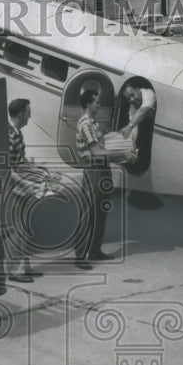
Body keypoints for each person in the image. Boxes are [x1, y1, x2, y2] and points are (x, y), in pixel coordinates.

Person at [74, 90, 122, 269]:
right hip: (94, 169)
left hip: (102, 168)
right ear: (88, 105)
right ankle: (80, 255)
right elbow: (96, 151)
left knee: (101, 209)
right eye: (97, 102)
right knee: (89, 212)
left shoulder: (93, 123)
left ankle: (95, 249)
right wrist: (121, 154)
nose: (99, 105)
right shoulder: (86, 123)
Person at [4, 98, 43, 283]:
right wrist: (26, 183)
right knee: (16, 229)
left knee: (23, 228)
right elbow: (7, 168)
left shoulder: (16, 133)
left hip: (20, 185)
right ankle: (14, 270)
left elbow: (19, 161)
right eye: (28, 112)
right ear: (20, 114)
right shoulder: (10, 134)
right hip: (13, 188)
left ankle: (24, 267)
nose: (30, 115)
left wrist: (37, 170)